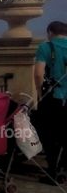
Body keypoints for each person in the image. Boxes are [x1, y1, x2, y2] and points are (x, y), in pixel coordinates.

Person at [34, 20, 67, 180]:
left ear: (50, 33)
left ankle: (53, 171)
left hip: (53, 98)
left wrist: (39, 92)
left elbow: (38, 74)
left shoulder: (45, 47)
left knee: (48, 134)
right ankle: (63, 168)